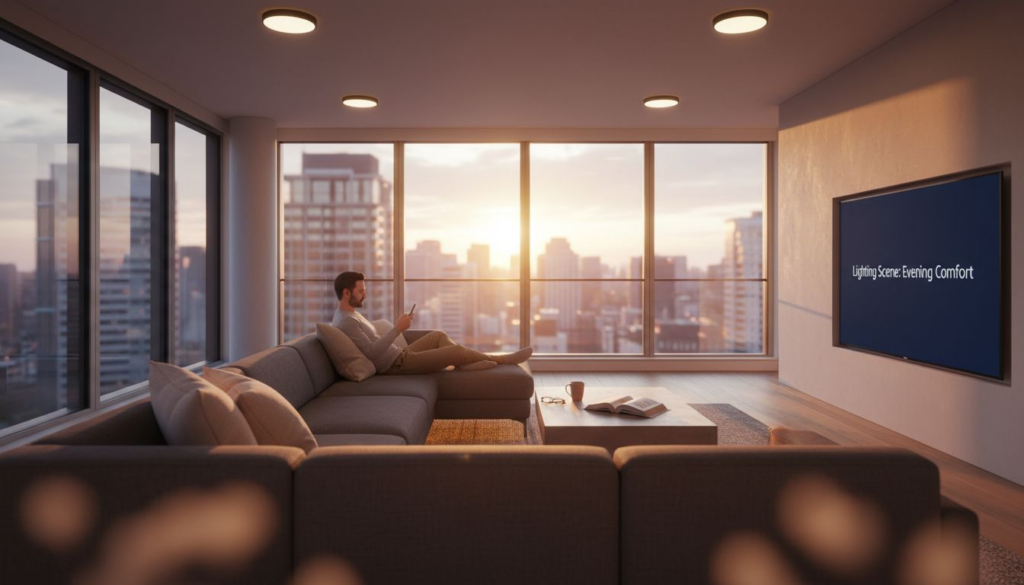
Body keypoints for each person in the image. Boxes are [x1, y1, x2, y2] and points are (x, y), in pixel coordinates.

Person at [331, 271, 533, 375]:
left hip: (399, 355)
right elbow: (372, 353)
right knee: (456, 352)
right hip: (396, 366)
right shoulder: (346, 321)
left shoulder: (351, 314)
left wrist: (396, 332)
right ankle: (503, 359)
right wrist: (397, 329)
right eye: (360, 291)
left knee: (437, 335)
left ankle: (465, 365)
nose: (365, 294)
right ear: (346, 293)